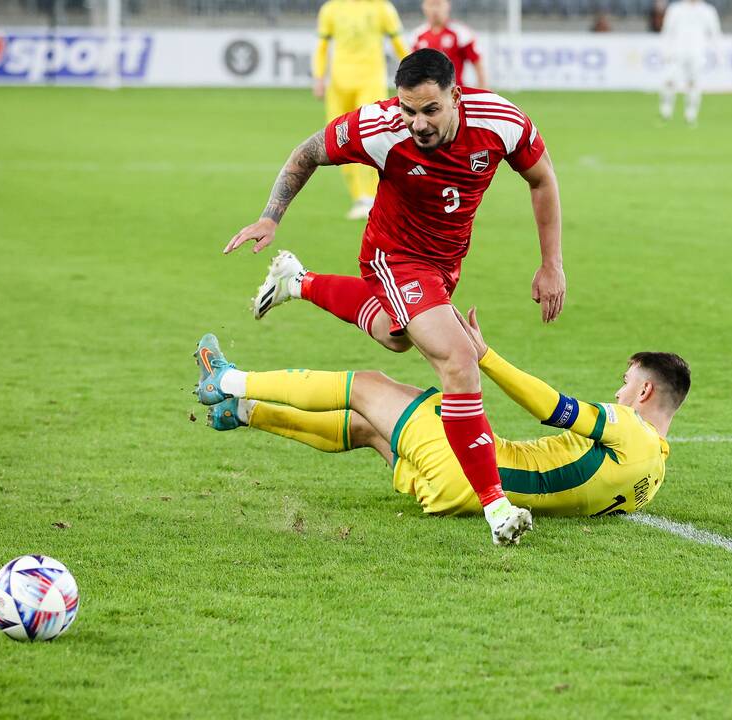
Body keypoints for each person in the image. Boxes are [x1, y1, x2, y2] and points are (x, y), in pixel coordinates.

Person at [224, 49, 566, 546]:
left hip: (445, 263)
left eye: (430, 110)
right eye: (409, 110)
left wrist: (551, 263)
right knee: (458, 356)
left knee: (394, 336)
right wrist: (270, 216)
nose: (417, 123)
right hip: (395, 255)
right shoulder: (378, 127)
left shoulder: (500, 121)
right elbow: (307, 152)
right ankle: (496, 506)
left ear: (455, 95)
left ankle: (298, 282)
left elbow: (542, 178)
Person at [192, 309, 689, 525]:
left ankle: (232, 382)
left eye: (626, 383)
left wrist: (485, 356)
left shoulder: (631, 427)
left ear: (645, 390)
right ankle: (244, 412)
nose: (618, 390)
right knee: (369, 427)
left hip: (470, 462)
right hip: (468, 498)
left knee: (369, 385)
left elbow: (550, 407)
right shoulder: (652, 478)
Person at [313, 0, 409, 220]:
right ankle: (358, 197)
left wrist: (416, 72)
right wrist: (319, 77)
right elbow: (322, 47)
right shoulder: (331, 9)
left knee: (370, 137)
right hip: (338, 86)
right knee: (339, 141)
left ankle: (370, 196)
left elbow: (399, 45)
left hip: (370, 82)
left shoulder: (382, 8)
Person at [659, 0, 721, 125]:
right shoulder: (675, 9)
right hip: (676, 51)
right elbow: (667, 30)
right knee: (669, 80)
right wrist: (665, 50)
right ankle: (666, 111)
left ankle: (691, 114)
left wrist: (718, 53)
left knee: (693, 83)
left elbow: (715, 33)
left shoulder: (708, 11)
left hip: (697, 52)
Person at [411, 0, 487, 88]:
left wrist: (482, 89)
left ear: (448, 6)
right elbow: (413, 68)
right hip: (426, 95)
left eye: (438, 4)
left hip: (453, 93)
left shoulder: (461, 33)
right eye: (431, 5)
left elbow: (477, 63)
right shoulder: (417, 35)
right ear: (424, 7)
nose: (435, 9)